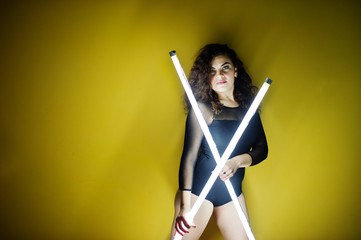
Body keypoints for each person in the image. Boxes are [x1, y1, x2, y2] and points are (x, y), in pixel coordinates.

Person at [170, 44, 268, 240]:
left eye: (225, 67)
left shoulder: (250, 110)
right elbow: (189, 158)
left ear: (235, 71)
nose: (220, 75)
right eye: (212, 71)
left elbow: (262, 148)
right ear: (207, 78)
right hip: (198, 192)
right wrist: (185, 207)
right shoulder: (203, 109)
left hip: (232, 193)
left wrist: (237, 161)